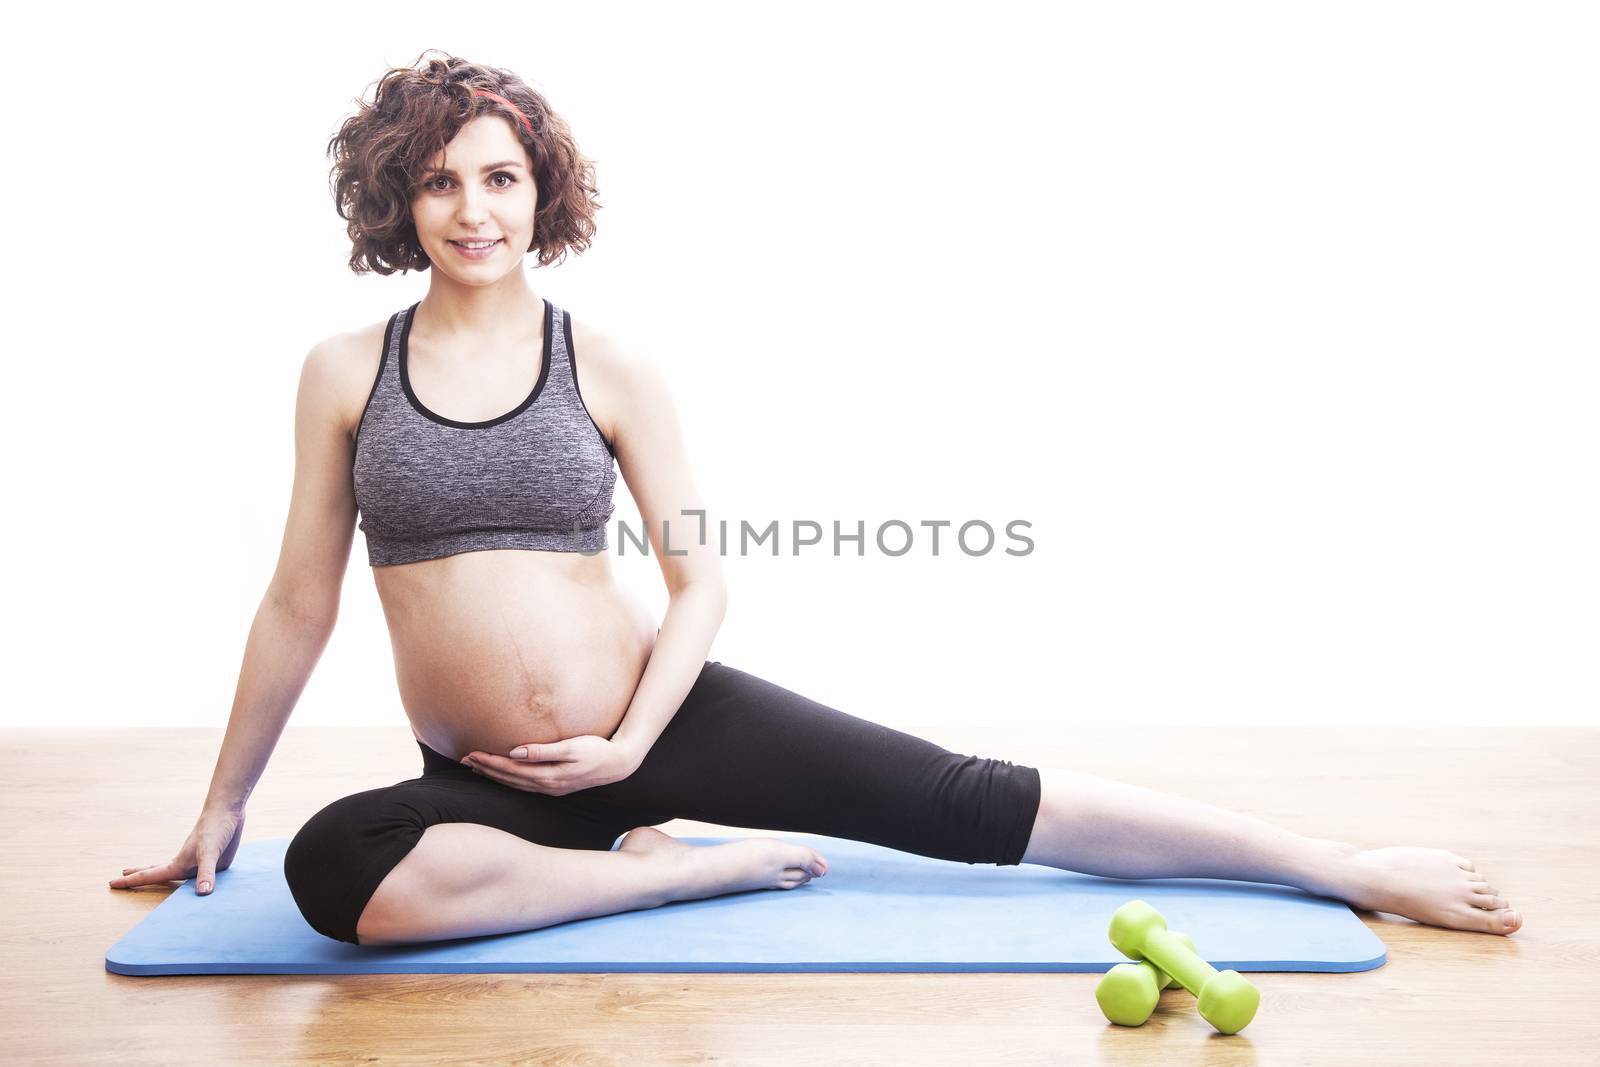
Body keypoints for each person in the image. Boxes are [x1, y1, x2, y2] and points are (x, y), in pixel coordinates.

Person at [109, 51, 1521, 947]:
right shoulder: (345, 369)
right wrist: (221, 804)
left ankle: (1340, 865)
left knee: (966, 798)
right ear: (393, 201)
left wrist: (630, 745)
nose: (472, 208)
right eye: (437, 182)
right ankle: (676, 875)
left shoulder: (605, 361)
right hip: (495, 785)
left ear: (543, 194)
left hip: (659, 723)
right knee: (337, 876)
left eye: (500, 176)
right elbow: (300, 594)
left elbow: (701, 580)